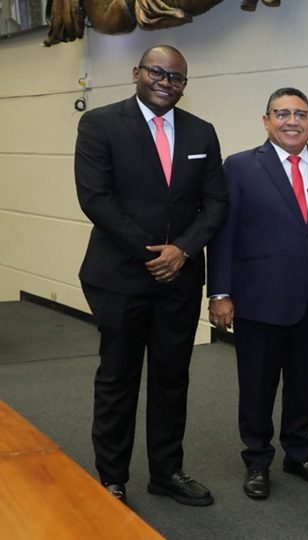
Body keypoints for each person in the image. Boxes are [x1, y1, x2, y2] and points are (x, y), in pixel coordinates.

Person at [75, 45, 228, 506]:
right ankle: (111, 478)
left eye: (177, 77)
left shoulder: (202, 132)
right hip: (120, 275)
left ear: (185, 84)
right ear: (136, 72)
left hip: (179, 279)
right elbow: (96, 198)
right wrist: (152, 252)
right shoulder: (100, 123)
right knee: (118, 376)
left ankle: (166, 471)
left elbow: (216, 202)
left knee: (171, 377)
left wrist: (181, 250)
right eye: (157, 72)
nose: (166, 82)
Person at [207, 88, 308, 500]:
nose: (292, 121)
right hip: (259, 298)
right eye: (282, 113)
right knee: (257, 386)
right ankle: (257, 460)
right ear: (266, 120)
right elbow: (223, 234)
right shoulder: (239, 166)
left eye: (301, 114)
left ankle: (299, 454)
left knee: (303, 384)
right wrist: (219, 292)